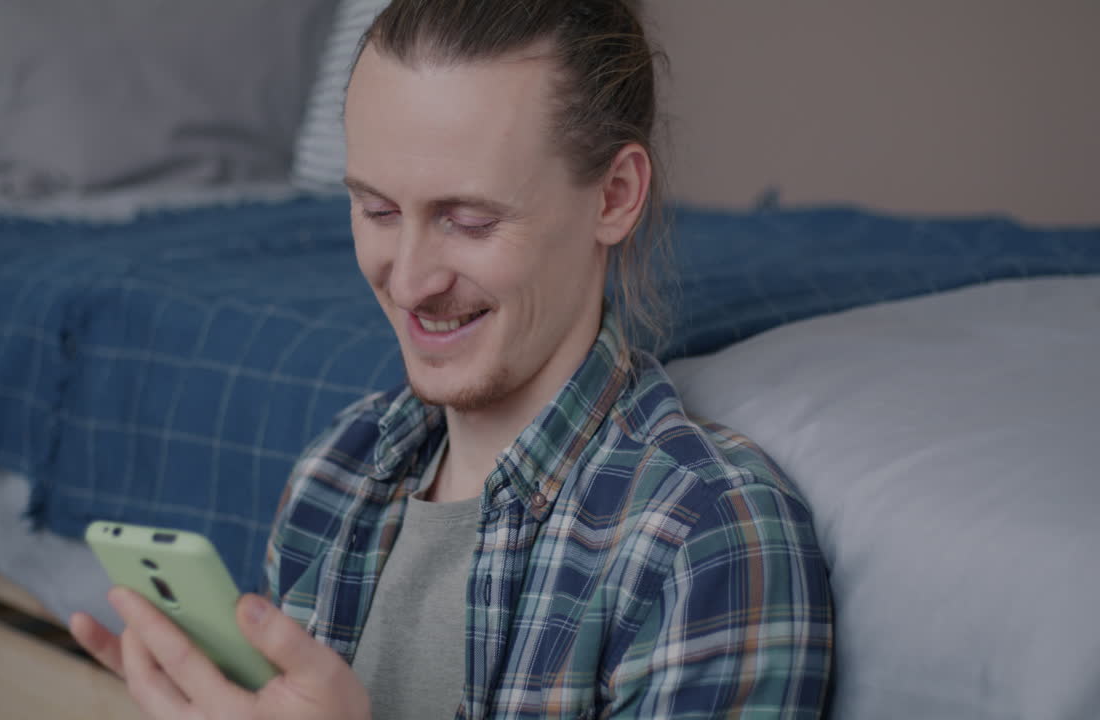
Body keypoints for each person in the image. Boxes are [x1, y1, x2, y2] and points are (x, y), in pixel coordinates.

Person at [70, 0, 835, 717]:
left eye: (467, 220)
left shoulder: (704, 538)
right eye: (376, 210)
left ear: (614, 196)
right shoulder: (333, 475)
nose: (407, 280)